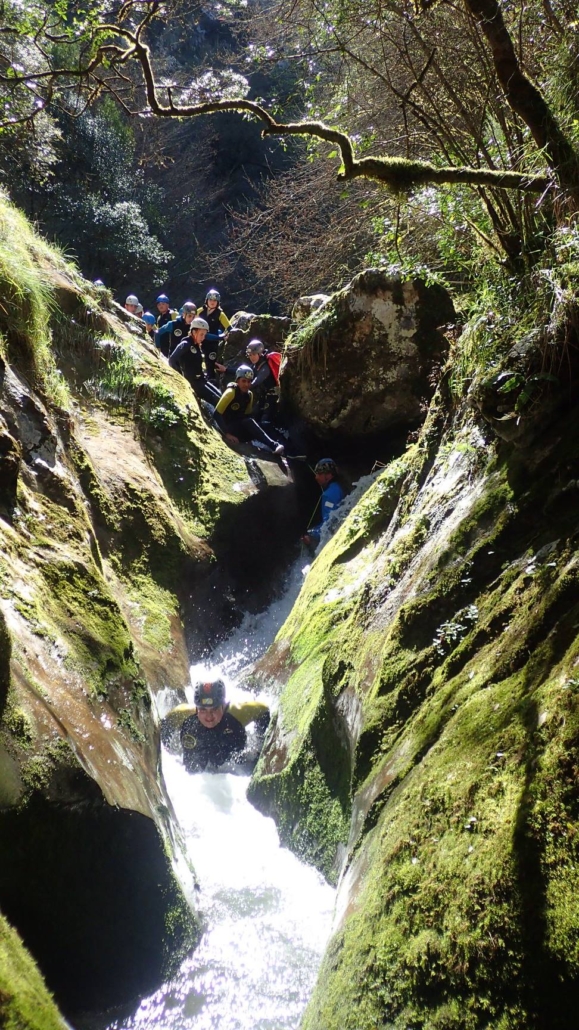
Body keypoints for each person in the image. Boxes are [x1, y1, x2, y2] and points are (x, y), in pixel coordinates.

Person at [161, 679, 270, 772]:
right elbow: (164, 730)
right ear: (196, 707)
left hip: (234, 770)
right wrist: (168, 751)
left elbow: (264, 710)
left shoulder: (237, 713)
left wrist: (259, 748)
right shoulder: (182, 715)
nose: (209, 717)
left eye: (214, 709)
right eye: (203, 710)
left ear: (223, 705)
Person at [214, 365, 285, 455]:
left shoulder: (249, 395)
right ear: (237, 381)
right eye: (243, 381)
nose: (246, 384)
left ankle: (287, 450)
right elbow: (216, 414)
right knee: (249, 422)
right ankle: (274, 445)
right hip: (227, 428)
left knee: (266, 425)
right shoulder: (230, 393)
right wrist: (227, 434)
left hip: (239, 429)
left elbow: (246, 415)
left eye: (249, 382)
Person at [168, 317, 222, 403]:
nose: (203, 338)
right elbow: (172, 360)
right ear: (194, 332)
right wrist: (180, 378)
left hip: (201, 379)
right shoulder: (186, 344)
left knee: (221, 397)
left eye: (204, 335)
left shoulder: (196, 344)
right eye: (201, 334)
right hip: (193, 382)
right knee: (217, 401)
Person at [302, 458, 345, 548]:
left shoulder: (328, 495)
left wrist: (312, 534)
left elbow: (329, 523)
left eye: (319, 474)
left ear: (329, 475)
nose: (316, 477)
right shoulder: (339, 486)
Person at [198, 289, 231, 380]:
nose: (212, 302)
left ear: (218, 302)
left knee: (211, 361)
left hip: (213, 342)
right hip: (199, 340)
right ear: (206, 300)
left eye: (214, 301)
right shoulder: (200, 311)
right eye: (210, 300)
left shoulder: (220, 314)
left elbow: (229, 328)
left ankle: (211, 379)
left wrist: (226, 336)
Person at [244, 339, 280, 422]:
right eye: (249, 355)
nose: (251, 357)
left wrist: (246, 386)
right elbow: (244, 371)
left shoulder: (265, 367)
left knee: (265, 420)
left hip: (272, 398)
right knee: (254, 415)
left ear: (260, 354)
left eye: (253, 354)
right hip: (263, 397)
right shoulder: (256, 365)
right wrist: (226, 369)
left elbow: (258, 379)